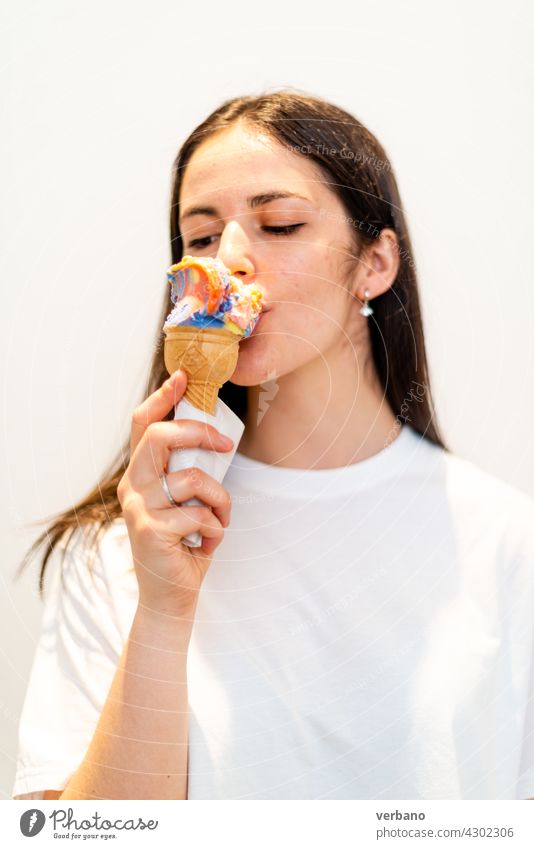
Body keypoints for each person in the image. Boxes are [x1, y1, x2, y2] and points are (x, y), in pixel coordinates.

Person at [12, 89, 534, 801]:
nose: (229, 258)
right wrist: (163, 611)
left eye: (280, 223)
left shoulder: (508, 542)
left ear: (375, 264)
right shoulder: (120, 543)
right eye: (200, 238)